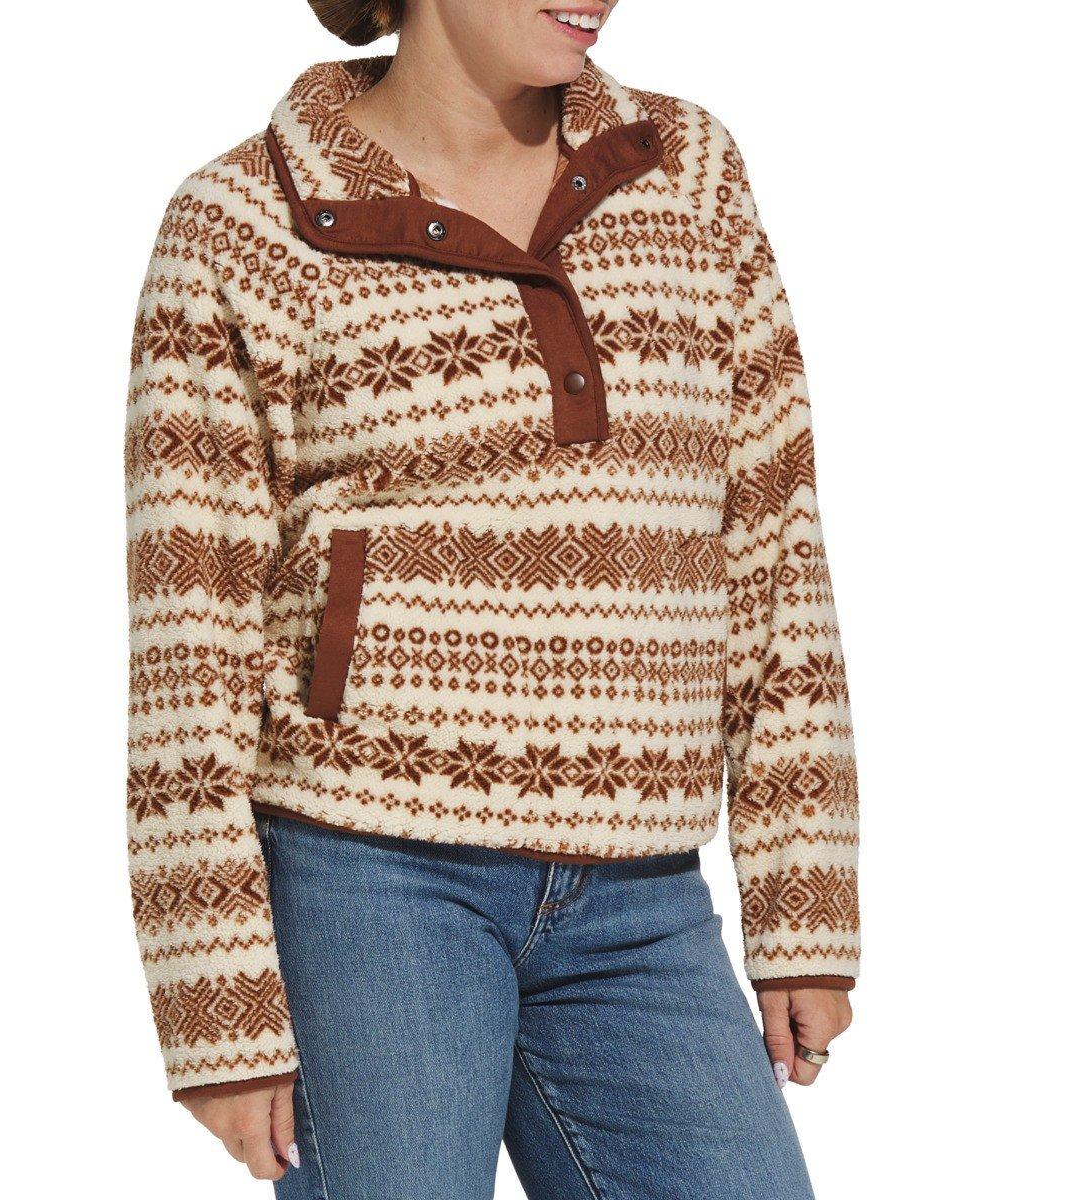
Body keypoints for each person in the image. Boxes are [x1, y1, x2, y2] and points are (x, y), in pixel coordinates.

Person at [124, 1, 858, 1195]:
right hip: (369, 882)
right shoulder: (241, 223)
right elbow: (185, 637)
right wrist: (216, 1005)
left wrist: (803, 903)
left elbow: (772, 540)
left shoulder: (686, 172)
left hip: (644, 890)